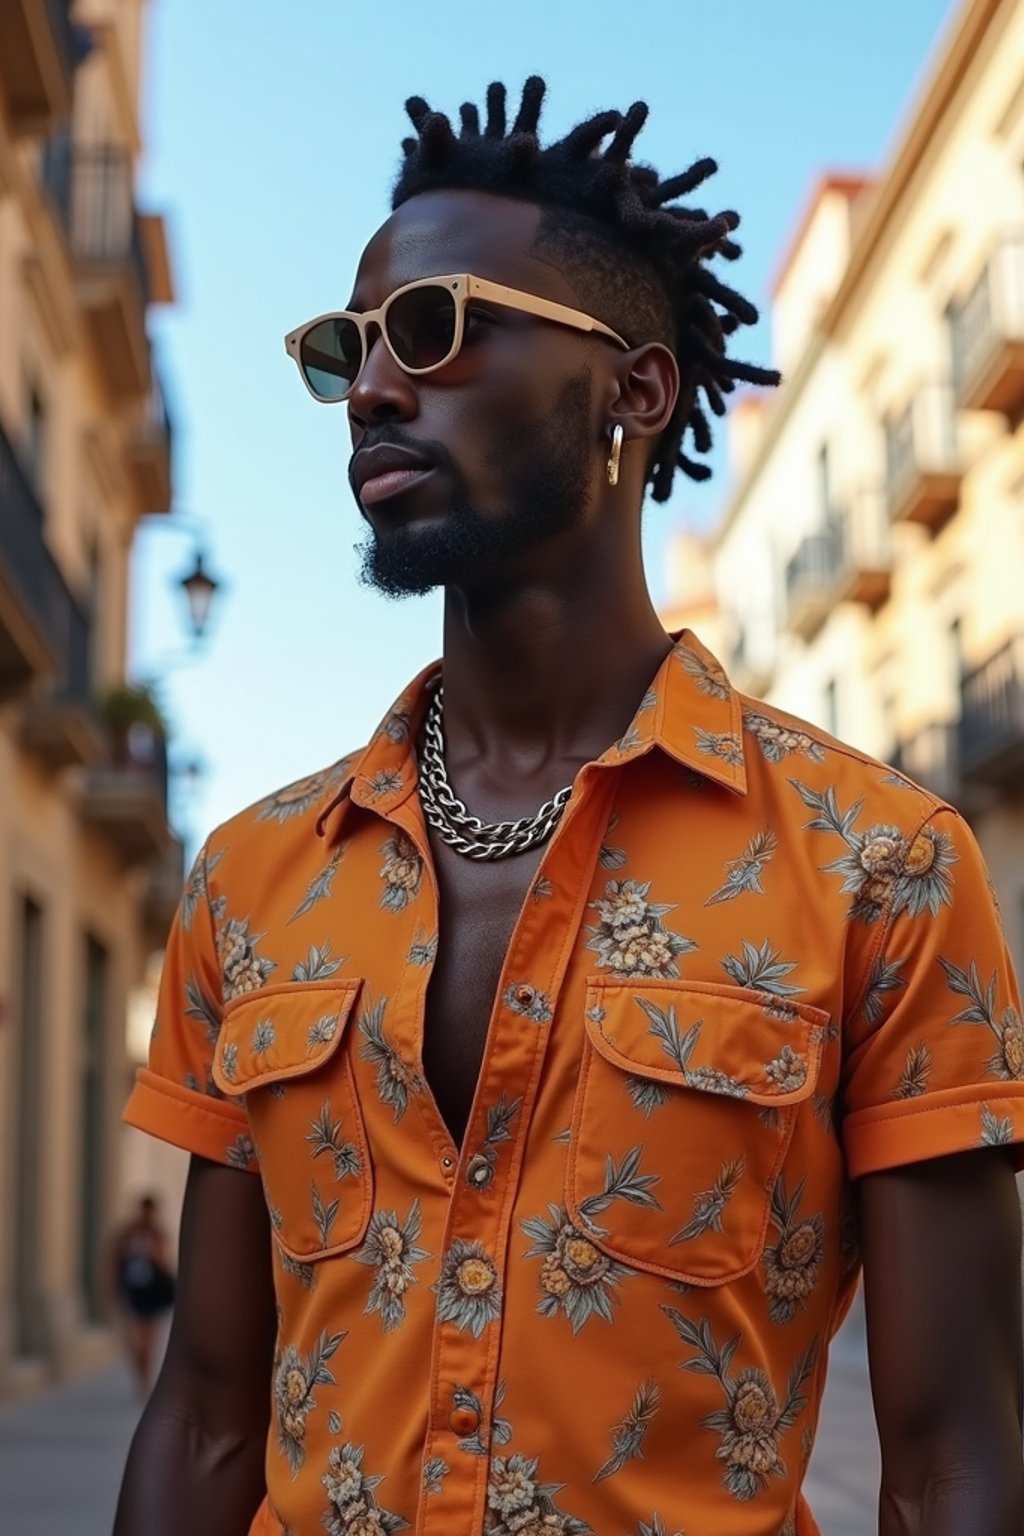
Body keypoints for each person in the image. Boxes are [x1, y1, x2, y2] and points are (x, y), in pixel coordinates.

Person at [115, 78, 1024, 1536]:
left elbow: (953, 1454)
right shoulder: (252, 877)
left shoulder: (884, 870)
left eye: (436, 328)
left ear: (636, 389)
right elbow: (213, 1414)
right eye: (351, 348)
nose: (373, 388)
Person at [109, 1193, 175, 1398]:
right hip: (134, 1289)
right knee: (135, 1337)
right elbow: (114, 1260)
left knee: (148, 1336)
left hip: (152, 1290)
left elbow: (165, 1260)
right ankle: (140, 1374)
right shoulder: (128, 1233)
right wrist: (112, 1288)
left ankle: (144, 1379)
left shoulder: (157, 1233)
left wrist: (155, 1254)